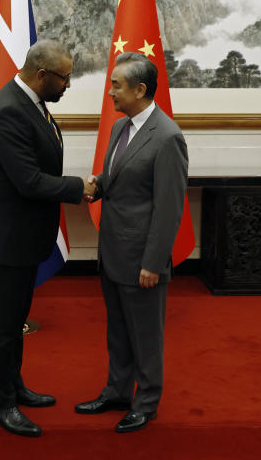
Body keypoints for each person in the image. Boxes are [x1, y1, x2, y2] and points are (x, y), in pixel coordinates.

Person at [0, 39, 96, 437]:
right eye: (64, 78)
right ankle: (0, 404)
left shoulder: (31, 102)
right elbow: (28, 181)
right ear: (42, 76)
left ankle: (15, 386)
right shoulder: (8, 112)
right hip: (7, 238)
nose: (68, 86)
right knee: (4, 325)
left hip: (23, 234)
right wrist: (81, 189)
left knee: (16, 319)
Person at [76, 52, 189, 433]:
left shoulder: (168, 137)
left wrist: (153, 263)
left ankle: (146, 401)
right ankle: (118, 391)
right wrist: (94, 186)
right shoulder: (120, 128)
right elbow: (118, 178)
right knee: (119, 329)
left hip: (142, 257)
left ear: (140, 90)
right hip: (112, 252)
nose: (110, 93)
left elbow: (169, 207)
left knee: (146, 334)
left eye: (116, 86)